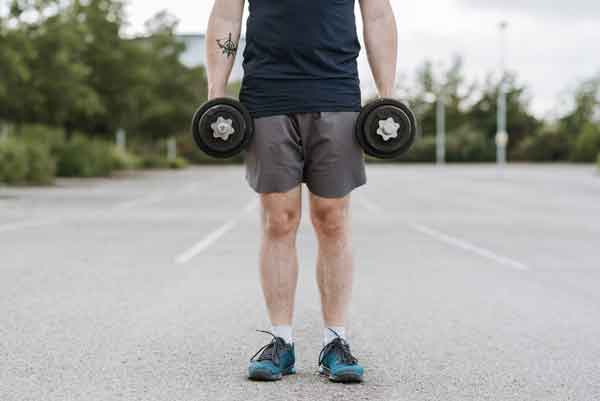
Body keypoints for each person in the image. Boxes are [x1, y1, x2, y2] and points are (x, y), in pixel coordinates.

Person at [205, 0, 397, 383]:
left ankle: (335, 342)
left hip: (337, 93)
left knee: (332, 219)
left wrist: (386, 91)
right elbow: (226, 15)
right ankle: (281, 341)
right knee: (279, 220)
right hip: (267, 96)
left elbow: (377, 15)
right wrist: (216, 90)